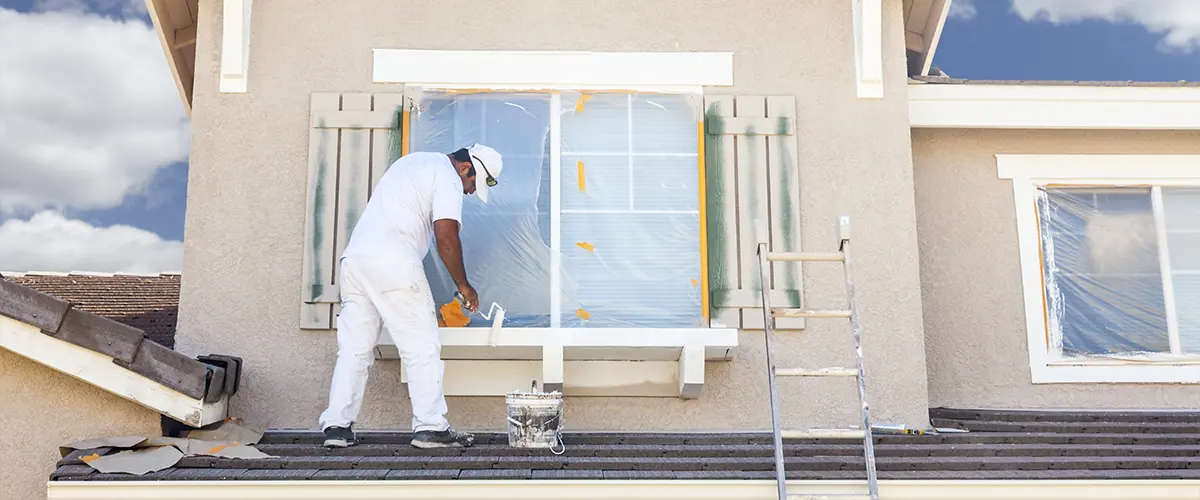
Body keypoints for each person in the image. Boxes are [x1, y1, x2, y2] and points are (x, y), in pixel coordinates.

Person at [318, 143, 503, 449]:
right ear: (466, 168)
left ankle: (337, 427)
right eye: (473, 184)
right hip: (394, 262)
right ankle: (430, 426)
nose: (470, 192)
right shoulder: (447, 177)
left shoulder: (412, 163)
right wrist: (464, 286)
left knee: (354, 348)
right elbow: (446, 237)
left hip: (356, 260)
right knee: (421, 346)